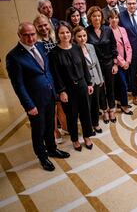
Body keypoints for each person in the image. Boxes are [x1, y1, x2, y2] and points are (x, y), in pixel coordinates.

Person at [6, 22, 70, 171]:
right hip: (35, 101)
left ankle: (52, 149)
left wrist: (55, 92)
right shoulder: (13, 56)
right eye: (26, 35)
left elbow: (47, 71)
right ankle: (42, 157)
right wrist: (29, 105)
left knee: (50, 126)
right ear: (19, 36)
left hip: (49, 95)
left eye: (33, 34)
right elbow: (18, 85)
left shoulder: (40, 46)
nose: (30, 38)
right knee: (38, 130)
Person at [49, 22, 94, 152]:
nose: (65, 35)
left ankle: (87, 136)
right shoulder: (54, 53)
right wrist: (61, 91)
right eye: (62, 33)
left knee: (86, 112)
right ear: (57, 34)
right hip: (67, 89)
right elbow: (56, 75)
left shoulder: (76, 48)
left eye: (67, 32)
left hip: (82, 85)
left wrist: (89, 83)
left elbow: (84, 67)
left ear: (71, 33)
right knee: (72, 115)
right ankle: (74, 139)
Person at [33, 15, 67, 144]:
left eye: (45, 24)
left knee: (61, 104)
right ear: (36, 27)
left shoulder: (54, 37)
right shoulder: (36, 42)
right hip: (48, 78)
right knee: (52, 107)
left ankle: (64, 127)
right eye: (40, 26)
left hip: (59, 75)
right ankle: (54, 131)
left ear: (49, 24)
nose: (43, 28)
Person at [86, 6, 118, 123]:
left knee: (110, 87)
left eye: (99, 16)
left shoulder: (108, 30)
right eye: (94, 16)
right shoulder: (86, 31)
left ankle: (112, 109)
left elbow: (114, 47)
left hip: (109, 63)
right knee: (100, 88)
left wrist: (115, 63)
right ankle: (104, 110)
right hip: (95, 66)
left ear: (102, 17)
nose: (97, 18)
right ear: (90, 18)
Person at [73, 26, 104, 134]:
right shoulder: (74, 50)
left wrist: (100, 78)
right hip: (84, 81)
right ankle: (88, 126)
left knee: (96, 103)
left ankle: (95, 123)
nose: (82, 38)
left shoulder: (90, 46)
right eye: (79, 36)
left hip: (95, 78)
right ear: (74, 37)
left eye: (84, 35)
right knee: (86, 106)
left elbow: (97, 63)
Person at [109, 10, 133, 114]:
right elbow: (112, 50)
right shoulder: (107, 31)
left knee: (123, 82)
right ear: (108, 19)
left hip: (126, 61)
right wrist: (122, 63)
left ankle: (120, 101)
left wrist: (128, 60)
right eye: (112, 18)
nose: (114, 20)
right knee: (122, 84)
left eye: (116, 17)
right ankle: (124, 105)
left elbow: (128, 46)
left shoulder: (122, 29)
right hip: (116, 63)